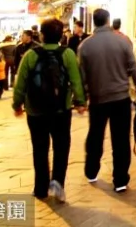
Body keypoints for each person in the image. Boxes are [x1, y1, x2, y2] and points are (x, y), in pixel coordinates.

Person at [12, 18, 86, 202]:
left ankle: (40, 188)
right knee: (61, 147)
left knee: (39, 148)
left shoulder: (30, 55)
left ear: (42, 35)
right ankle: (58, 183)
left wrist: (17, 104)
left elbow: (20, 83)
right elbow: (76, 80)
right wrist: (80, 101)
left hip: (35, 111)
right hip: (61, 109)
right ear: (61, 36)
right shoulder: (67, 54)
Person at [78, 8, 136, 194]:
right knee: (121, 140)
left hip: (97, 100)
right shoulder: (122, 42)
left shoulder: (85, 46)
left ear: (94, 21)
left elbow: (82, 77)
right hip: (121, 99)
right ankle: (120, 180)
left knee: (95, 136)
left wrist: (81, 99)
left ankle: (91, 170)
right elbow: (134, 70)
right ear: (108, 21)